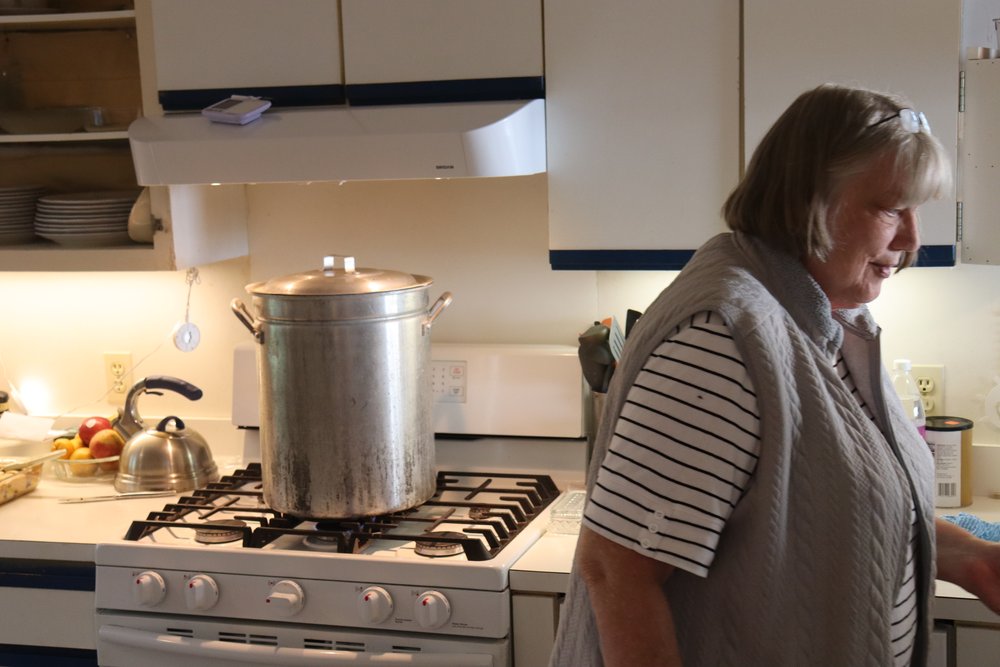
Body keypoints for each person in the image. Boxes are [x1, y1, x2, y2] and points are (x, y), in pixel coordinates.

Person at [549, 84, 1000, 667]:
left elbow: (843, 509)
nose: (912, 240)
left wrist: (974, 558)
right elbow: (614, 570)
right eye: (891, 209)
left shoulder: (826, 316)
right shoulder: (724, 338)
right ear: (808, 202)